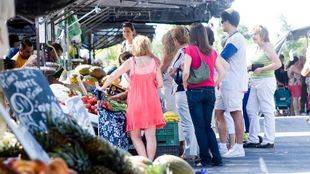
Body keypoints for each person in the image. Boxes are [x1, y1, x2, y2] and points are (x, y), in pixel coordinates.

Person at [98, 35, 165, 161]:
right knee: (151, 136)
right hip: (152, 102)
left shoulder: (132, 62)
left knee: (135, 136)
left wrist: (102, 88)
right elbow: (160, 84)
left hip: (136, 103)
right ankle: (150, 162)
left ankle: (145, 162)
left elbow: (113, 75)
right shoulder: (154, 62)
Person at [183, 22, 225, 166]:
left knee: (199, 127)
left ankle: (205, 159)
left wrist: (184, 83)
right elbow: (223, 71)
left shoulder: (190, 49)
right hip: (209, 92)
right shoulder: (212, 51)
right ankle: (217, 158)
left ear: (192, 35)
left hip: (194, 91)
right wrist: (215, 83)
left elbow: (186, 71)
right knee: (208, 126)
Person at [215, 9, 248, 158]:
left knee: (235, 112)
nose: (221, 24)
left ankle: (239, 147)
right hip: (226, 82)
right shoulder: (232, 38)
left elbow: (223, 57)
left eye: (222, 21)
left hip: (233, 82)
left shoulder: (236, 39)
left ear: (227, 21)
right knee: (218, 112)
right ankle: (222, 146)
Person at [244, 25, 281, 148]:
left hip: (265, 81)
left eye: (255, 34)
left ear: (262, 34)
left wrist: (262, 69)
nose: (253, 36)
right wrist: (251, 67)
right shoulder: (256, 48)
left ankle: (269, 139)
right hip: (255, 81)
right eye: (252, 34)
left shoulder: (267, 47)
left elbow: (278, 64)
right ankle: (253, 138)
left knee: (267, 110)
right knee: (250, 109)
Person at [169, 26, 199, 160]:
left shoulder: (182, 51)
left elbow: (172, 71)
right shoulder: (195, 49)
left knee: (187, 122)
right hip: (196, 89)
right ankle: (196, 149)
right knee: (195, 120)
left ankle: (190, 151)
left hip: (183, 89)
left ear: (176, 39)